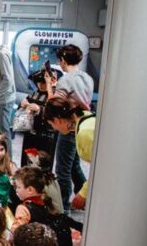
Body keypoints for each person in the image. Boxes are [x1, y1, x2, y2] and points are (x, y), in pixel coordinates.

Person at [46, 45, 94, 213]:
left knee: (62, 169)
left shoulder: (65, 80)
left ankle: (64, 207)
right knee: (73, 165)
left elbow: (54, 106)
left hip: (68, 125)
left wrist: (48, 85)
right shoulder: (87, 78)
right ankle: (84, 195)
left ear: (63, 61)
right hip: (84, 117)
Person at [12, 166, 83, 246]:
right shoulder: (46, 201)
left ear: (30, 190)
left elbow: (17, 231)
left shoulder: (23, 208)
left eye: (18, 187)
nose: (16, 190)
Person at [44, 98, 95, 211]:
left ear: (57, 120)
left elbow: (102, 167)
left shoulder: (84, 132)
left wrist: (84, 192)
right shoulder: (84, 117)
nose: (54, 128)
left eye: (51, 124)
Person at [19, 69, 60, 166]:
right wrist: (22, 105)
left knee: (43, 163)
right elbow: (20, 114)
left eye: (44, 83)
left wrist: (39, 109)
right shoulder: (32, 95)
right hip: (30, 134)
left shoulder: (56, 96)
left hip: (46, 136)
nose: (41, 85)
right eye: (39, 82)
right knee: (27, 161)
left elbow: (56, 114)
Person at [0, 44, 16, 154]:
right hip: (4, 98)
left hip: (3, 99)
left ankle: (8, 161)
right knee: (0, 131)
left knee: (3, 131)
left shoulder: (1, 54)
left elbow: (8, 80)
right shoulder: (1, 53)